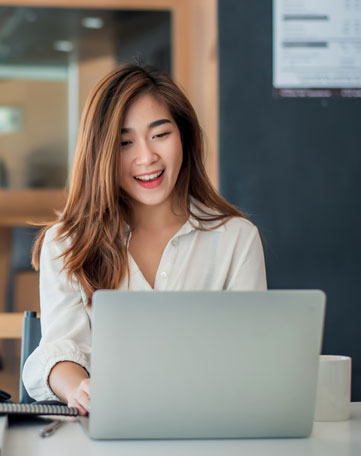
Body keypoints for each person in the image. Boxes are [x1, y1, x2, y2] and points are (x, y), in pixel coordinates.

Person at [22, 64, 267, 415]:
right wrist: (79, 389)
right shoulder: (67, 242)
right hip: (106, 431)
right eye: (124, 142)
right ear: (101, 153)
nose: (146, 157)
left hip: (210, 427)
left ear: (184, 136)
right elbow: (62, 349)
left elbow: (252, 356)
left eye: (160, 134)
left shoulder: (236, 239)